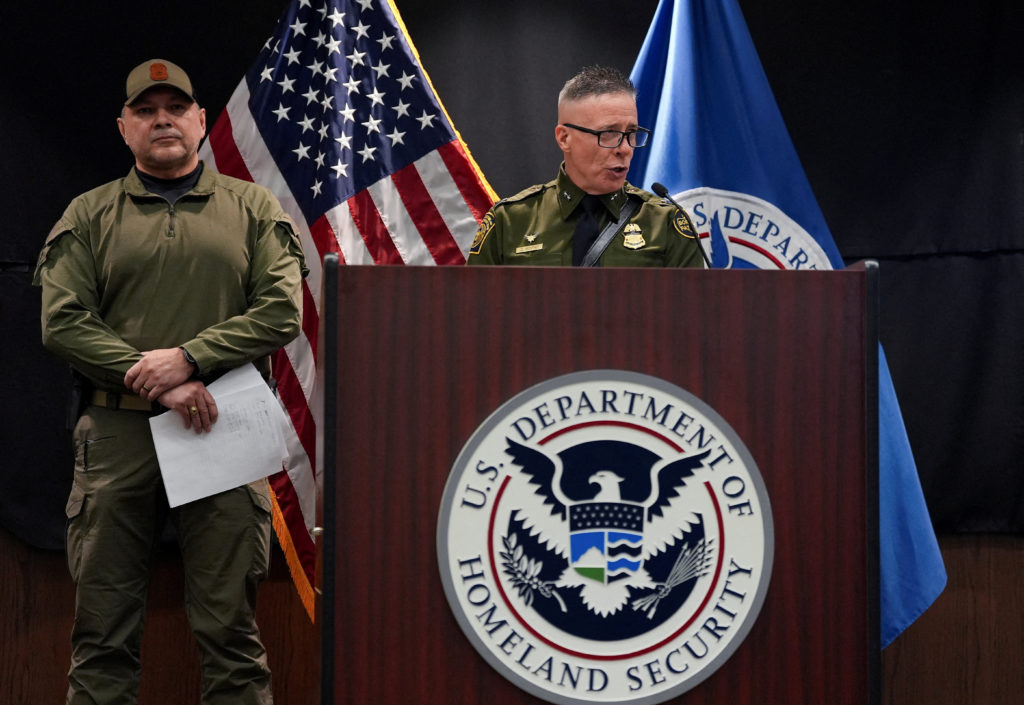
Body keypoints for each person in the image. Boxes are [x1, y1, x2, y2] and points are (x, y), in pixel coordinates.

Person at [33, 58, 306, 705]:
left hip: (224, 425)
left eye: (176, 108)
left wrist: (188, 356)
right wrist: (156, 381)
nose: (163, 120)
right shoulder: (91, 214)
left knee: (231, 633)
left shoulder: (250, 207)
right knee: (101, 634)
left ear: (200, 121)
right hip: (119, 433)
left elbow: (281, 309)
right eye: (147, 110)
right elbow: (62, 320)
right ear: (125, 127)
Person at [467, 65, 705, 268]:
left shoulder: (665, 224)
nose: (625, 148)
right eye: (609, 133)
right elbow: (473, 313)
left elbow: (693, 317)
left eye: (631, 133)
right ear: (564, 138)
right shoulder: (510, 222)